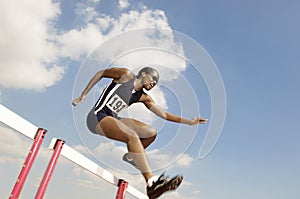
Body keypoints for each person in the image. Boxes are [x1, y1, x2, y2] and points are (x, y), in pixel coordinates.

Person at [72, 67, 208, 198]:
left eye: (156, 82)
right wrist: (83, 94)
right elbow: (101, 73)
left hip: (112, 118)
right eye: (153, 78)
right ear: (143, 74)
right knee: (132, 135)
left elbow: (164, 114)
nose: (154, 83)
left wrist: (189, 122)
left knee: (151, 133)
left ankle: (131, 156)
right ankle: (151, 183)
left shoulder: (143, 97)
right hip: (96, 117)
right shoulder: (125, 75)